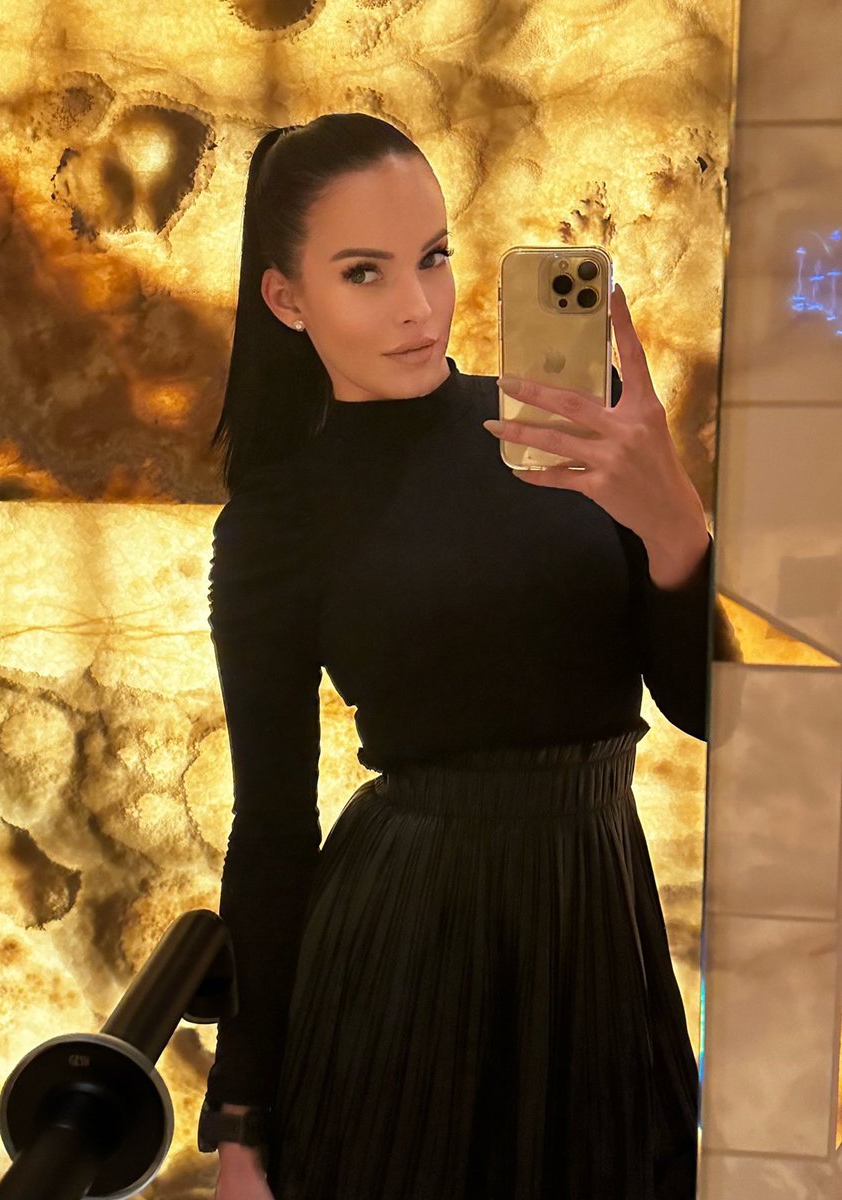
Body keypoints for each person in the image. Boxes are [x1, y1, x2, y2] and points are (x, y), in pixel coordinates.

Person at [198, 113, 741, 1200]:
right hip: (407, 940)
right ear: (287, 299)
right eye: (364, 272)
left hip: (600, 919)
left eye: (435, 257)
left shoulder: (568, 435)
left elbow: (712, 714)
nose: (418, 305)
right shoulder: (279, 518)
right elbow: (273, 824)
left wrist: (678, 529)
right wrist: (245, 1123)